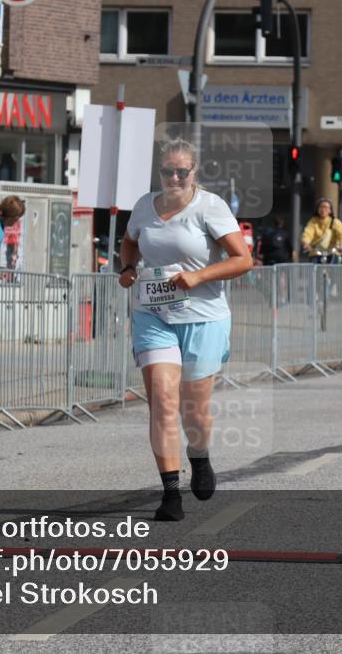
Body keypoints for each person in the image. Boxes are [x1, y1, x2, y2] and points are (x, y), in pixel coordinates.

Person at [117, 138, 253, 521]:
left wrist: (199, 276)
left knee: (194, 412)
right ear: (158, 171)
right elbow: (129, 244)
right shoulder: (145, 206)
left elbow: (243, 260)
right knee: (162, 400)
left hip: (203, 316)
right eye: (167, 171)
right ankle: (171, 494)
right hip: (153, 315)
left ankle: (200, 456)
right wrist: (128, 270)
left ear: (195, 173)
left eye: (182, 171)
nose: (174, 177)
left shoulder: (210, 207)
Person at [301, 198, 342, 262]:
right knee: (313, 268)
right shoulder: (313, 222)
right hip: (316, 252)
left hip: (332, 252)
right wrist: (306, 243)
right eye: (321, 207)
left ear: (330, 210)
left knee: (334, 269)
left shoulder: (335, 222)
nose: (323, 210)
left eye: (326, 207)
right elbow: (308, 233)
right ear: (317, 209)